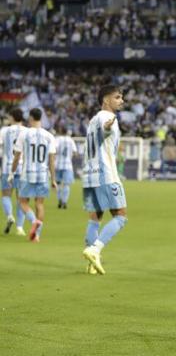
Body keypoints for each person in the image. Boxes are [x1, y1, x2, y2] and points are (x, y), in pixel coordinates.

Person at [81, 85, 128, 275]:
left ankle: (92, 264)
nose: (121, 100)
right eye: (117, 97)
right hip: (106, 174)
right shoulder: (107, 118)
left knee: (95, 218)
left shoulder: (92, 119)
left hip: (90, 174)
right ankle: (95, 250)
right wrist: (108, 128)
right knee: (121, 217)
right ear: (106, 100)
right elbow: (105, 130)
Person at [10, 108, 57, 242]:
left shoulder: (24, 134)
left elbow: (17, 156)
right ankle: (36, 235)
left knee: (22, 201)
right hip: (43, 174)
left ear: (30, 118)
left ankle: (33, 221)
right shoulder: (49, 136)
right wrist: (53, 179)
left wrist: (12, 172)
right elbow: (52, 160)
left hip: (28, 173)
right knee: (40, 204)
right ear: (40, 118)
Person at [1, 108, 27, 235]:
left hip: (7, 167)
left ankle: (10, 216)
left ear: (12, 117)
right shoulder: (27, 131)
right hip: (23, 168)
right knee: (21, 198)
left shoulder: (4, 131)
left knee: (6, 195)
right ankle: (20, 227)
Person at [55, 130, 78, 209]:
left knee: (57, 183)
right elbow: (75, 152)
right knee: (66, 184)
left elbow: (54, 150)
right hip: (68, 165)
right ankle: (64, 201)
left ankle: (59, 199)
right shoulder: (71, 140)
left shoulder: (57, 139)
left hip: (58, 164)